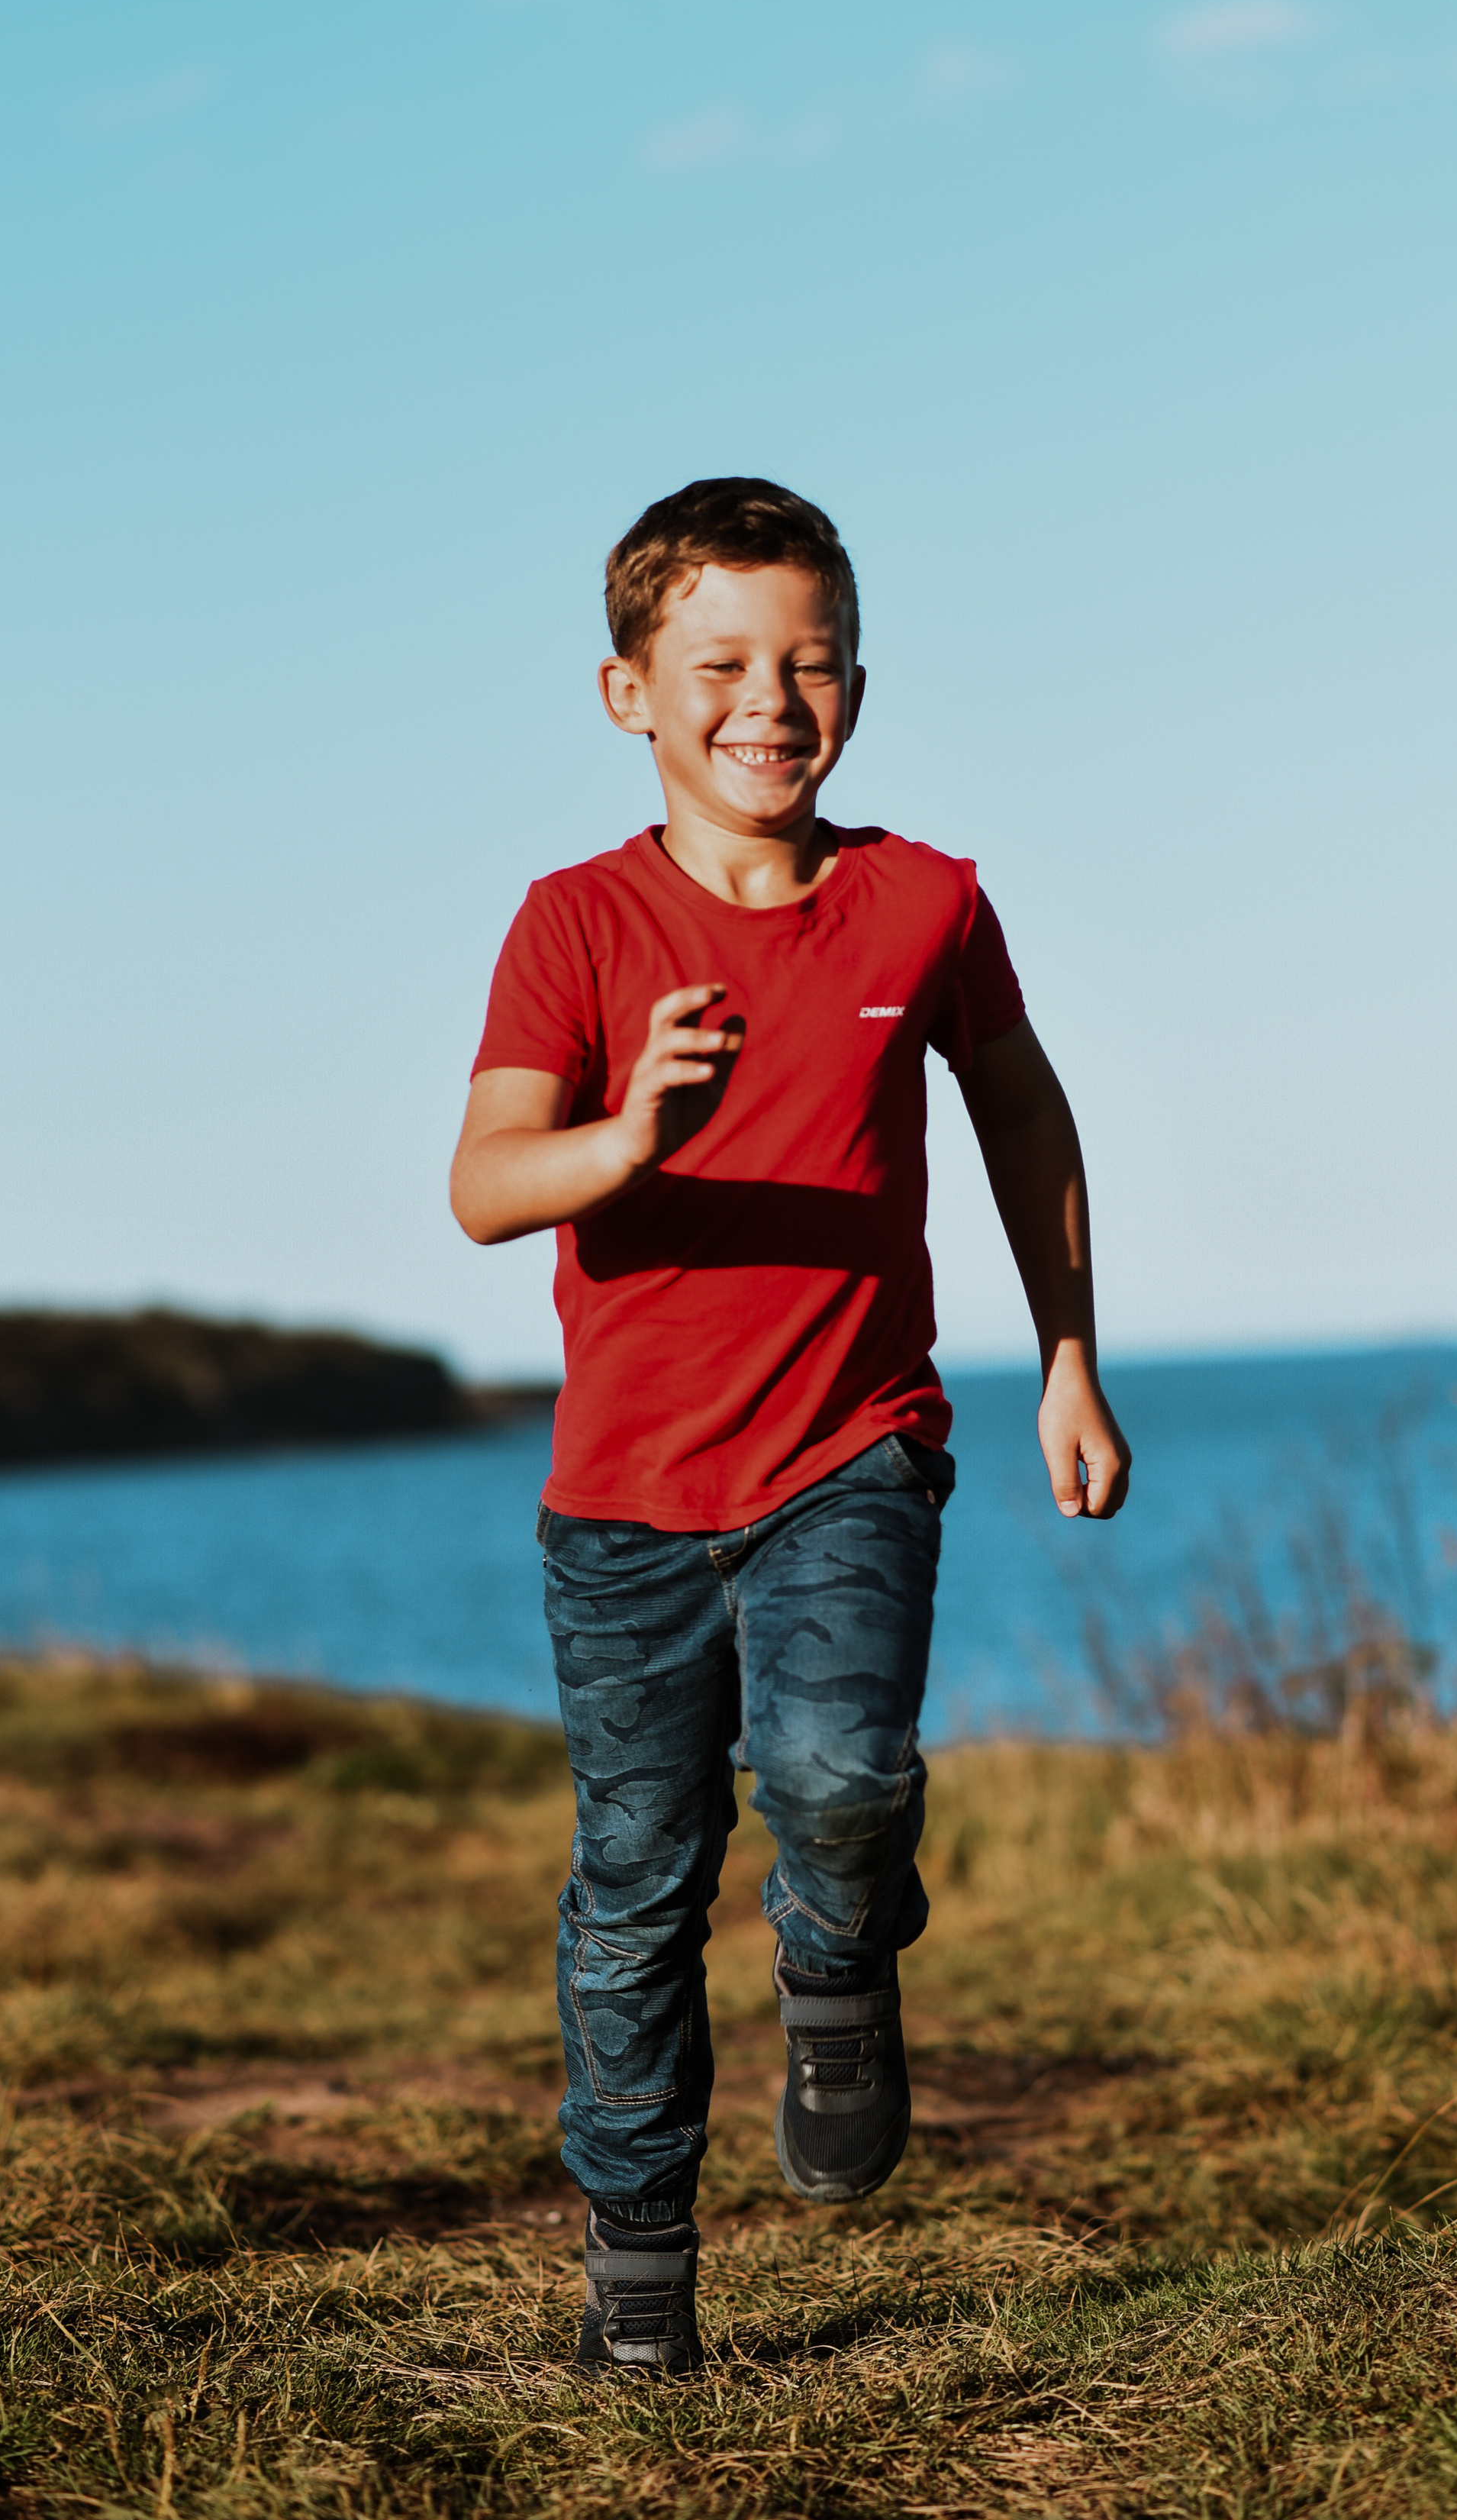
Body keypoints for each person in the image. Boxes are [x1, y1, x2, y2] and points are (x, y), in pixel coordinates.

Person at [450, 477, 1130, 2374]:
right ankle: (640, 2282)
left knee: (836, 1775)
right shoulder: (573, 925)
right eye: (722, 663)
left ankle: (838, 1963)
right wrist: (631, 1139)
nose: (770, 699)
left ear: (857, 684)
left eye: (810, 661)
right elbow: (488, 1183)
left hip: (854, 1445)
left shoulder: (923, 903)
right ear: (626, 693)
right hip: (628, 1501)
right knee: (635, 1889)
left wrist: (1066, 1356)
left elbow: (1025, 1120)